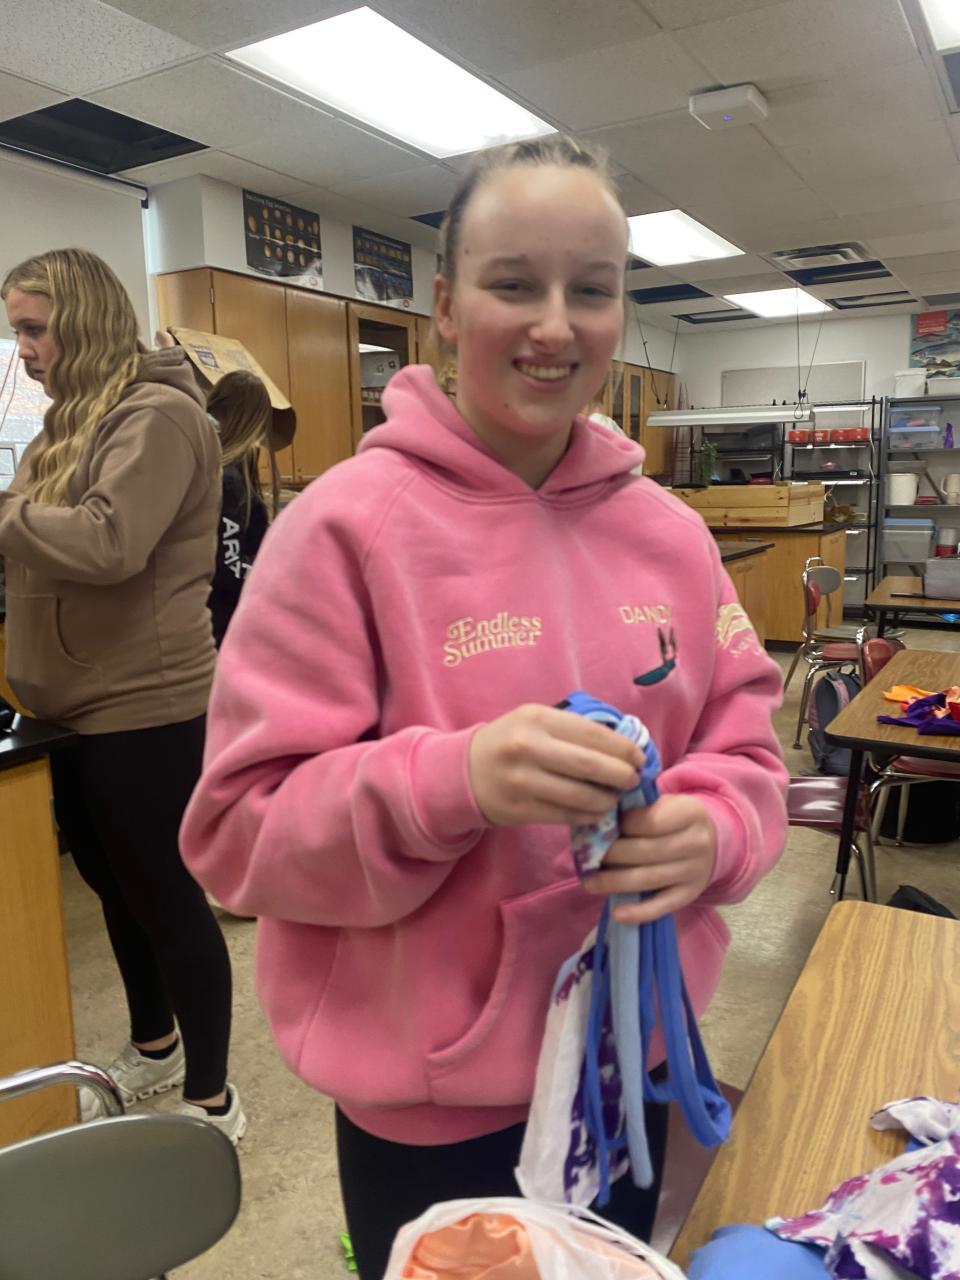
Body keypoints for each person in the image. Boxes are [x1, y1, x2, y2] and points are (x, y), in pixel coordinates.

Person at [180, 138, 787, 1271]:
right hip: (435, 1112)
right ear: (448, 308)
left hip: (634, 1063)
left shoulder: (671, 535)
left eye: (591, 290)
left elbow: (749, 749)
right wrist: (450, 781)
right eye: (514, 283)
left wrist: (714, 829)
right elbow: (237, 832)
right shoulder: (345, 529)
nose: (555, 325)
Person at [1, 248, 245, 1142]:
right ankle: (155, 1045)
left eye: (35, 329)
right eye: (16, 331)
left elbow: (109, 542)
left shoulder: (160, 415)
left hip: (144, 703)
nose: (24, 349)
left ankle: (213, 1100)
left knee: (165, 898)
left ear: (87, 322)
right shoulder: (64, 427)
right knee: (111, 884)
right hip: (67, 702)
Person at [204, 369, 276, 647]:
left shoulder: (208, 469)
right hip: (224, 626)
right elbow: (229, 567)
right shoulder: (229, 483)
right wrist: (273, 571)